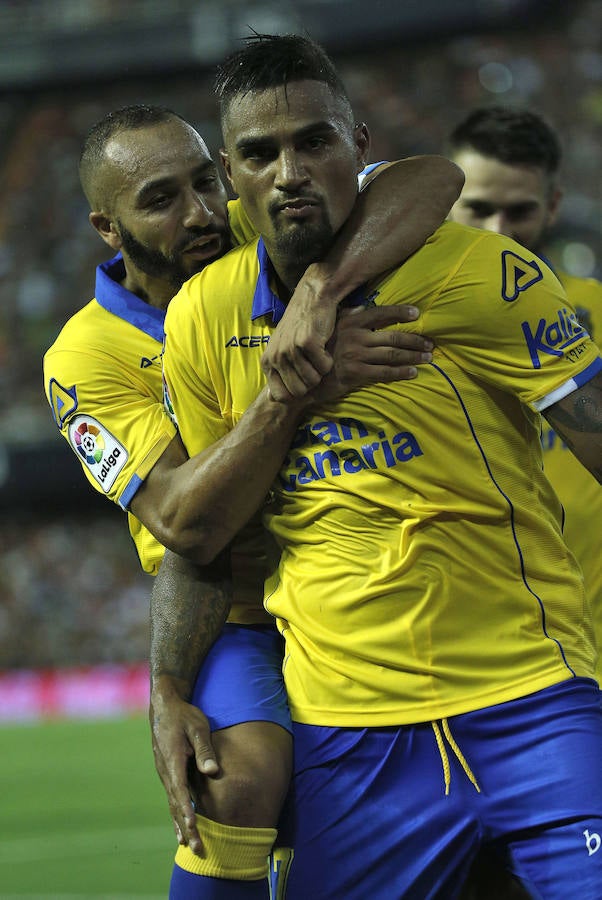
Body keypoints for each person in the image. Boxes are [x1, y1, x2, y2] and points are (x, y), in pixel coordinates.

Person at [159, 33, 602, 899]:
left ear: (359, 148)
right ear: (229, 176)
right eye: (260, 153)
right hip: (350, 734)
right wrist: (168, 686)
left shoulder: (483, 275)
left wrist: (322, 297)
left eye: (314, 142)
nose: (290, 171)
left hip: (531, 699)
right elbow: (200, 534)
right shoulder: (202, 320)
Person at [42, 103, 462, 899]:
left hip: (361, 574)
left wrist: (322, 288)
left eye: (207, 181)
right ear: (107, 226)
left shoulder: (263, 229)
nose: (201, 213)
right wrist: (300, 387)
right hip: (236, 610)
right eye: (161, 199)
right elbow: (180, 520)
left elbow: (432, 178)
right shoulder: (86, 357)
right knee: (235, 780)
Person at [447, 104, 602, 685]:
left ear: (554, 206)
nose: (498, 234)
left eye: (520, 211)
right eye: (479, 210)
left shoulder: (596, 313)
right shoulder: (395, 327)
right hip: (472, 664)